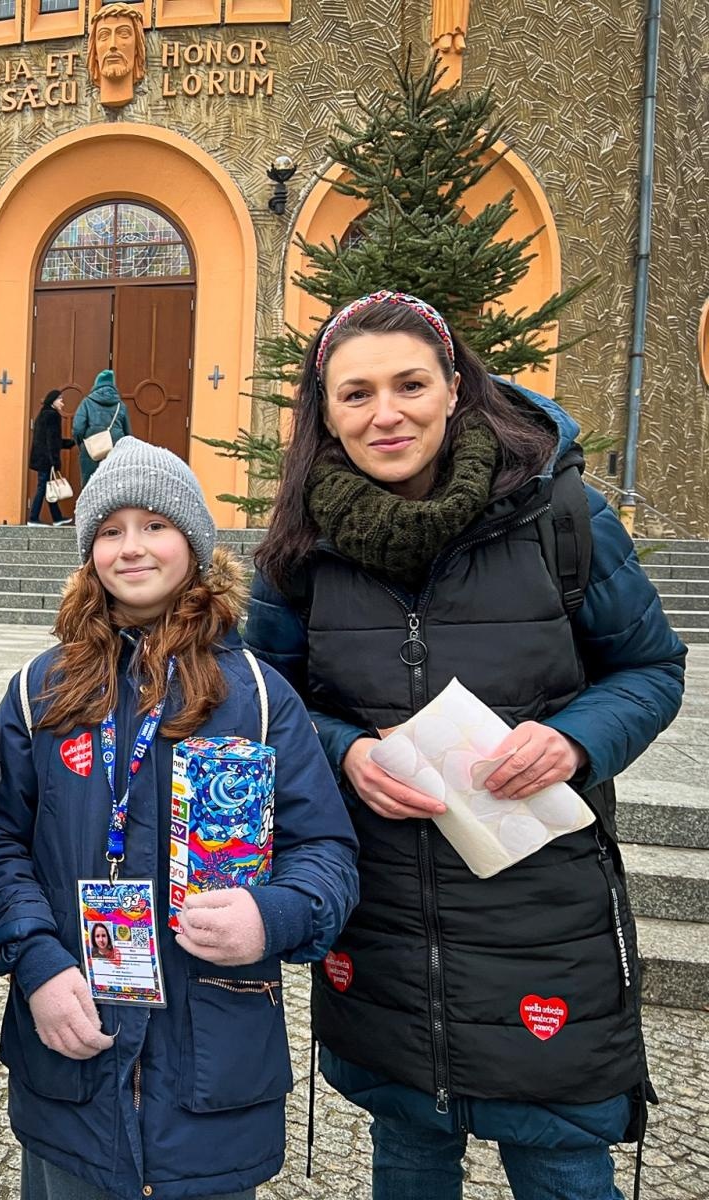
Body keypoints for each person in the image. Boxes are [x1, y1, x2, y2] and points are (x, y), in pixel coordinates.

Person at [244, 291, 687, 1200]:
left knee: (561, 1160)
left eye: (410, 384)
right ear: (324, 413)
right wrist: (343, 753)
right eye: (356, 394)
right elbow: (269, 700)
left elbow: (651, 669)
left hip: (541, 905)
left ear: (455, 387)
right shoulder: (299, 548)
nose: (386, 413)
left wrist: (573, 742)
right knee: (408, 1149)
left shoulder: (561, 515)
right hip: (386, 913)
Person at [0, 438, 359, 1200]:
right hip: (73, 1054)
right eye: (111, 530)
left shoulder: (257, 694)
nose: (133, 547)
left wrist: (273, 914)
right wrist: (38, 965)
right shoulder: (37, 692)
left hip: (212, 1066)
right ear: (89, 553)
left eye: (155, 524)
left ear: (194, 542)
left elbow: (327, 850)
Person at [72, 368, 131, 489]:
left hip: (91, 450)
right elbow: (128, 434)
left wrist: (81, 444)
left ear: (96, 384)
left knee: (90, 485)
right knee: (114, 484)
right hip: (116, 450)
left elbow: (78, 428)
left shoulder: (87, 402)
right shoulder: (121, 405)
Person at [28, 388, 76, 526]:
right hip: (46, 458)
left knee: (48, 487)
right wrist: (55, 461)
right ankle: (33, 518)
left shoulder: (43, 414)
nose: (62, 403)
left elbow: (50, 439)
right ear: (53, 401)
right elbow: (52, 441)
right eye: (60, 399)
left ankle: (56, 517)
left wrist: (69, 443)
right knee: (43, 487)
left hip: (41, 457)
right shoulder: (52, 415)